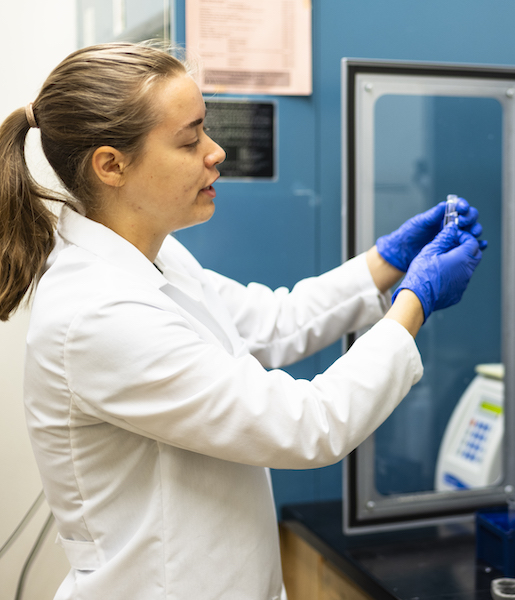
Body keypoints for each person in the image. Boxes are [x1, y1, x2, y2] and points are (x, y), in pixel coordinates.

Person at [0, 42, 486, 600]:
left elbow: (273, 323)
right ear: (111, 165)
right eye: (189, 140)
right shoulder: (96, 315)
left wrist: (387, 263)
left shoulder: (154, 256)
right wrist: (415, 303)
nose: (216, 152)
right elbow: (307, 426)